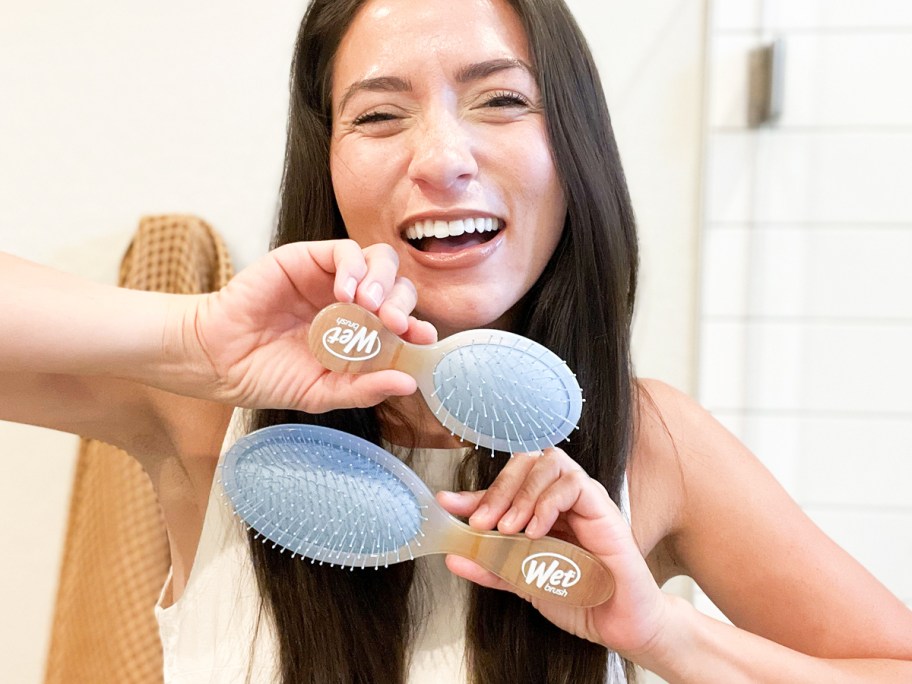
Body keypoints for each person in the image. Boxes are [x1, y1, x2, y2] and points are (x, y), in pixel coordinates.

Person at [2, 0, 911, 682]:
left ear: (576, 147)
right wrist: (197, 337)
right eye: (379, 115)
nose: (440, 158)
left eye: (501, 99)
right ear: (326, 164)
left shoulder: (653, 444)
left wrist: (667, 636)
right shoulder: (203, 409)